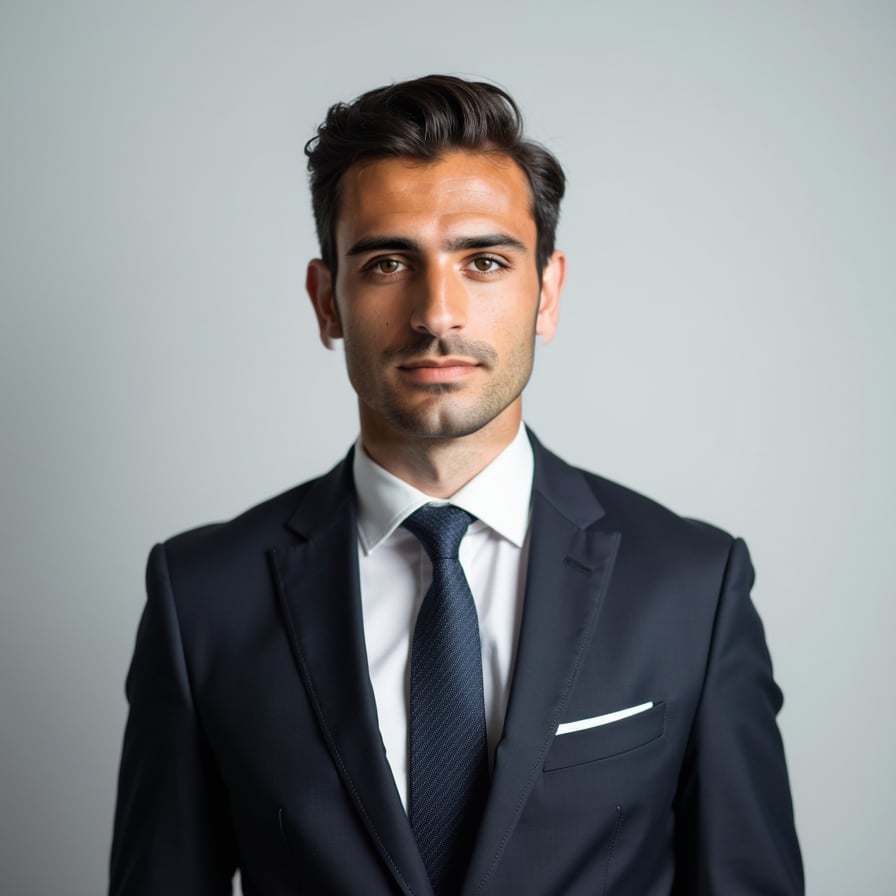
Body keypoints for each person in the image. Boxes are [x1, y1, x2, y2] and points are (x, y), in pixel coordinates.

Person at [109, 74, 803, 895]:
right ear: (326, 299)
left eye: (483, 260)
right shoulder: (203, 600)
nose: (437, 312)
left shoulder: (693, 586)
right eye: (387, 262)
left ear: (545, 293)